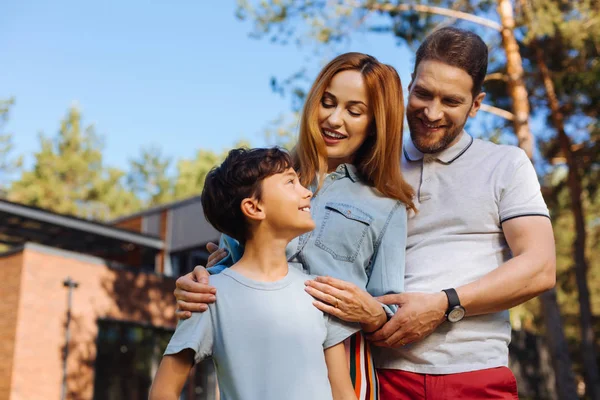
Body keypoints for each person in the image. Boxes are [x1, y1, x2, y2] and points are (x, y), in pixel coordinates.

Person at [175, 27, 557, 399]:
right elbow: (240, 255)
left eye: (452, 101)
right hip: (381, 371)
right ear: (408, 88)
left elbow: (539, 266)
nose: (432, 111)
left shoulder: (501, 165)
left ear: (476, 103)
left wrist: (442, 304)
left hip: (466, 369)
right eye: (423, 93)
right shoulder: (361, 167)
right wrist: (206, 278)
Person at [174, 52, 416, 400]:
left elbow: (389, 308)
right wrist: (196, 281)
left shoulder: (387, 205)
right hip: (261, 352)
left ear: (376, 122)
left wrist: (374, 312)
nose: (334, 119)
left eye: (354, 110)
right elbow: (230, 264)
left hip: (343, 363)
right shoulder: (263, 177)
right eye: (328, 102)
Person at [149, 147, 359, 400]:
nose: (307, 191)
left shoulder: (318, 291)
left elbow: (343, 392)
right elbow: (163, 391)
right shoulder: (209, 297)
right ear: (254, 207)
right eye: (291, 182)